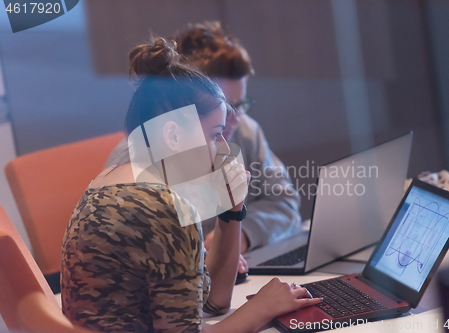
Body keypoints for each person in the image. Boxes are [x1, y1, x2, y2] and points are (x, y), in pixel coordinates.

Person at [61, 36, 321, 332]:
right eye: (214, 135)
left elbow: (212, 301)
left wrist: (231, 211)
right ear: (172, 136)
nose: (224, 148)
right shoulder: (162, 209)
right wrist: (262, 307)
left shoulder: (105, 182)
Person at [106, 22, 302, 256]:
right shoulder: (133, 160)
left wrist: (244, 234)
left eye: (242, 105)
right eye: (226, 108)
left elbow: (284, 202)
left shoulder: (246, 131)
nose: (236, 119)